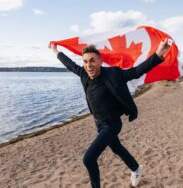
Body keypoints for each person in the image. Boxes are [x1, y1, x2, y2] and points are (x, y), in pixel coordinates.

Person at [49, 39, 170, 187]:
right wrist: (55, 51)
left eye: (92, 61)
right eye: (85, 62)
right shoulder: (84, 74)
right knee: (116, 148)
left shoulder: (113, 73)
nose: (89, 65)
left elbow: (136, 71)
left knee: (88, 159)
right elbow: (69, 64)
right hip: (99, 123)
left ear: (100, 61)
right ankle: (136, 168)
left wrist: (158, 53)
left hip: (112, 124)